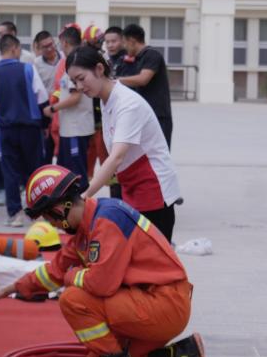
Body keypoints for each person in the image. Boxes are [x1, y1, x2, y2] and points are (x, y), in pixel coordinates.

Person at [0, 165, 207, 357]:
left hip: (164, 304)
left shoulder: (108, 221)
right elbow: (54, 271)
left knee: (73, 299)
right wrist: (7, 289)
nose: (53, 226)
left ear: (59, 209)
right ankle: (183, 354)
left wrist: (71, 276)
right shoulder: (86, 228)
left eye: (49, 218)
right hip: (146, 302)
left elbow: (101, 284)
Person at [68, 46, 182, 242]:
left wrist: (85, 195)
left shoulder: (127, 104)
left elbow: (117, 157)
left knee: (153, 257)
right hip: (131, 186)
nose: (79, 86)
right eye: (74, 82)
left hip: (153, 187)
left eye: (81, 78)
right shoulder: (105, 100)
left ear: (99, 69)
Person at [0, 34, 49, 227]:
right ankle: (38, 212)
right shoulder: (28, 68)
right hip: (30, 127)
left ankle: (14, 214)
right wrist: (45, 124)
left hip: (5, 128)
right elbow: (41, 97)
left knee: (10, 171)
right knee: (35, 169)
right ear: (15, 49)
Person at [117, 24, 173, 149]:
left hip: (158, 116)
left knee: (159, 154)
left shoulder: (152, 55)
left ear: (132, 41)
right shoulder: (137, 59)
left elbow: (143, 79)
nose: (124, 47)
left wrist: (117, 81)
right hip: (143, 115)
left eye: (125, 43)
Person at [50, 27, 92, 191]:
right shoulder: (72, 62)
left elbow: (75, 97)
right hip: (68, 129)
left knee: (77, 174)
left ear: (65, 42)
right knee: (65, 172)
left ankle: (82, 204)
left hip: (77, 128)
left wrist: (53, 108)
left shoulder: (76, 64)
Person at [32, 30, 62, 96]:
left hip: (66, 100)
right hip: (47, 101)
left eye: (50, 44)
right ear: (39, 48)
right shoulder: (36, 64)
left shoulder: (64, 57)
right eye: (45, 47)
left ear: (54, 42)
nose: (49, 49)